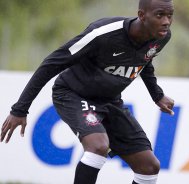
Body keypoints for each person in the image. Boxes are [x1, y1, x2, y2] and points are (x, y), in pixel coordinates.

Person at [1, 0, 174, 183]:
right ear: (141, 15)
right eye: (159, 15)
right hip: (73, 94)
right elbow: (51, 63)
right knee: (98, 146)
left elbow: (144, 60)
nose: (166, 21)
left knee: (149, 166)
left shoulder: (161, 36)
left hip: (110, 101)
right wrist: (20, 109)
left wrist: (157, 95)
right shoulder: (103, 33)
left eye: (170, 15)